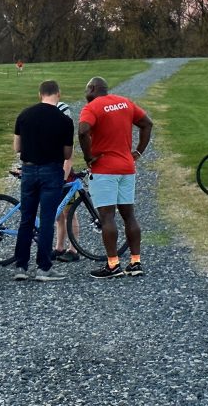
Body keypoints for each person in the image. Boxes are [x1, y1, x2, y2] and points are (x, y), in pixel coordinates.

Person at [78, 77, 153, 279]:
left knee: (107, 217)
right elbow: (147, 124)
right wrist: (138, 152)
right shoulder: (125, 102)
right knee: (129, 215)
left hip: (104, 169)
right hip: (127, 168)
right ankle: (135, 262)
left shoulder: (92, 107)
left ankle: (113, 265)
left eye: (87, 90)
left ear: (92, 89)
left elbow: (83, 130)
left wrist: (88, 156)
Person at [13, 80, 74, 282]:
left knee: (26, 219)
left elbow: (17, 147)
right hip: (51, 171)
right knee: (48, 219)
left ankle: (20, 266)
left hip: (29, 171)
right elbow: (67, 153)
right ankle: (43, 268)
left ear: (40, 94)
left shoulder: (24, 115)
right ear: (58, 93)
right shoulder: (64, 120)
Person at [51, 101, 80, 263]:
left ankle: (73, 249)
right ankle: (59, 247)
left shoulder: (66, 135)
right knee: (58, 216)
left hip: (65, 179)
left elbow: (68, 161)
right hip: (55, 178)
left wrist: (61, 180)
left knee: (69, 214)